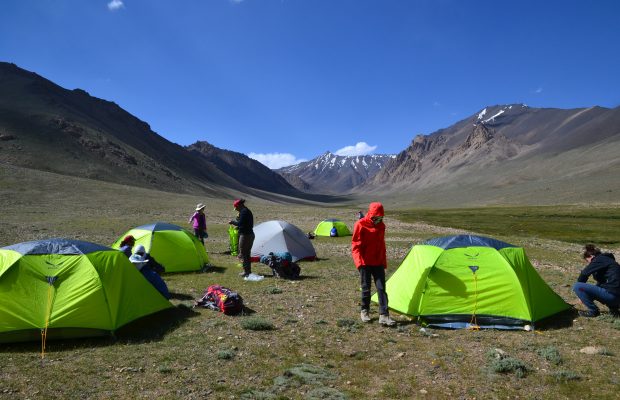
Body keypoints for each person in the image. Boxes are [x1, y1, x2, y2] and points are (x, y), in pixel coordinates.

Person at [351, 202, 396, 326]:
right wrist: (359, 263)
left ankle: (384, 315)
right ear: (371, 214)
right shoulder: (360, 224)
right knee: (366, 288)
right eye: (376, 217)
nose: (379, 220)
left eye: (381, 217)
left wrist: (383, 262)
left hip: (378, 262)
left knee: (381, 288)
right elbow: (355, 246)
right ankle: (364, 311)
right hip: (365, 262)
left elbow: (381, 246)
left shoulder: (382, 226)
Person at [572, 244, 620, 317]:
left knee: (577, 286)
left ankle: (593, 311)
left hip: (612, 296)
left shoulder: (599, 259)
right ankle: (614, 310)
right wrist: (586, 295)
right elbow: (602, 283)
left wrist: (580, 291)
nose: (589, 264)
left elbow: (584, 273)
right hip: (617, 298)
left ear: (591, 257)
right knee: (603, 286)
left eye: (588, 261)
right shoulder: (608, 260)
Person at [228, 199, 254, 277]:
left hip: (245, 235)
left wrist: (232, 222)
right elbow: (244, 224)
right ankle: (247, 271)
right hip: (249, 234)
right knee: (246, 253)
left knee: (243, 253)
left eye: (236, 208)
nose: (236, 210)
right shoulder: (245, 211)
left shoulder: (244, 212)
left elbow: (240, 223)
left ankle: (246, 272)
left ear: (239, 206)